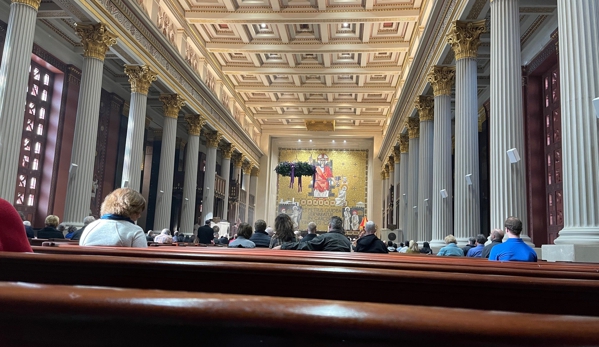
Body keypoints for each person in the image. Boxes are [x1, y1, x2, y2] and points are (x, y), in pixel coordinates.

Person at [79, 188, 147, 248]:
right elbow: (142, 259)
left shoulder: (90, 227)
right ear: (131, 210)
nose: (139, 216)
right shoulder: (135, 231)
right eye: (138, 212)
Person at [278, 216, 351, 252]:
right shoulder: (347, 241)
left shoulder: (324, 238)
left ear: (329, 226)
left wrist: (284, 246)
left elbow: (305, 245)